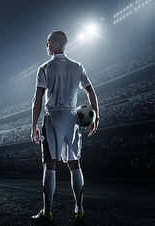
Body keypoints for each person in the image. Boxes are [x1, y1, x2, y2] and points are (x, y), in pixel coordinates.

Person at [30, 30, 100, 223]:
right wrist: (96, 115)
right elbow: (90, 92)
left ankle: (47, 211)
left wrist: (34, 125)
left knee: (50, 164)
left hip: (52, 117)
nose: (46, 46)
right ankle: (79, 208)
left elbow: (37, 100)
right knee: (74, 164)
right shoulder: (77, 66)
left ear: (55, 44)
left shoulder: (44, 67)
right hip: (72, 117)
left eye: (47, 42)